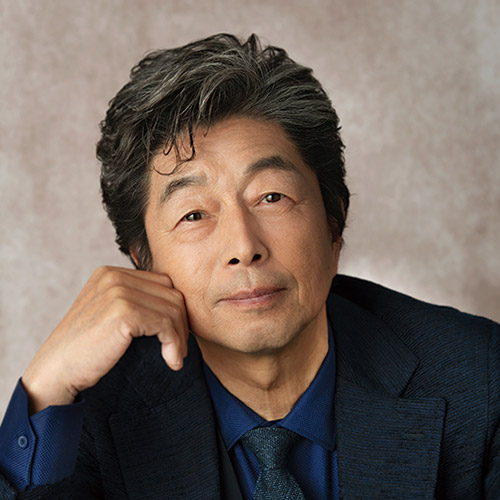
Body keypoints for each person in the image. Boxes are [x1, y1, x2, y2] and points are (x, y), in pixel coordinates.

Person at [0, 33, 498, 500]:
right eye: (194, 214)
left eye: (271, 197)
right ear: (142, 261)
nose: (243, 246)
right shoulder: (88, 413)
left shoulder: (481, 379)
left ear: (334, 224)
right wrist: (44, 388)